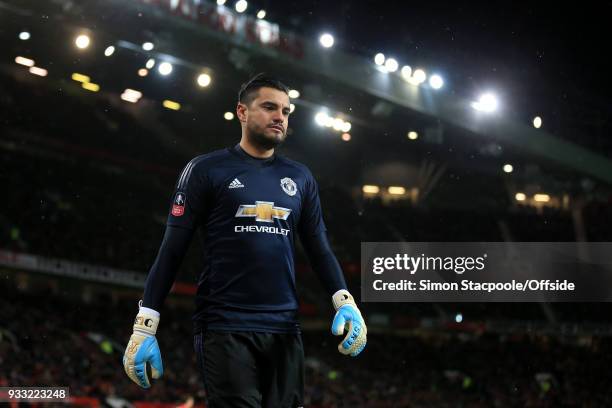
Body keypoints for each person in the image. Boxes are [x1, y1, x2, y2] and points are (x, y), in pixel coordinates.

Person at [122, 73, 367, 407]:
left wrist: (345, 301)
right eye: (269, 107)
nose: (280, 116)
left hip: (284, 329)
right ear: (242, 112)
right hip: (225, 326)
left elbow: (319, 248)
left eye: (286, 110)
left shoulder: (301, 177)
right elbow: (172, 250)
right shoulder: (206, 170)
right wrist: (145, 325)